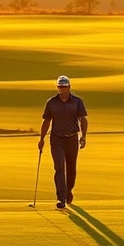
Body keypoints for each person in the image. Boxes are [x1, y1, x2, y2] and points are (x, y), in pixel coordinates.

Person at [39, 75, 88, 209]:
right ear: (57, 87)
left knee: (71, 167)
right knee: (59, 167)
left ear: (69, 87)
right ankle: (61, 198)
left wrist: (83, 136)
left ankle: (68, 191)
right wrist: (41, 139)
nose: (62, 88)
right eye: (60, 86)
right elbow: (46, 121)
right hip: (56, 139)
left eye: (65, 86)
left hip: (72, 138)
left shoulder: (77, 102)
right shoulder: (52, 102)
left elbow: (83, 119)